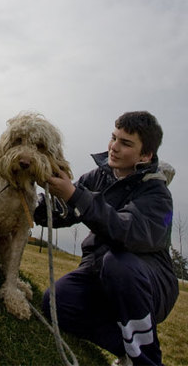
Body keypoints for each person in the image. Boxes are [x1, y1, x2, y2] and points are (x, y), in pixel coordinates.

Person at [34, 111, 178, 366]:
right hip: (99, 271)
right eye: (114, 138)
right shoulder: (98, 176)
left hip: (147, 281)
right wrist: (29, 195)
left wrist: (75, 195)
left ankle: (147, 361)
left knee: (118, 263)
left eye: (126, 143)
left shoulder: (157, 194)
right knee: (56, 302)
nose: (114, 147)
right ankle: (127, 350)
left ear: (146, 155)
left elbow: (125, 232)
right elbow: (61, 211)